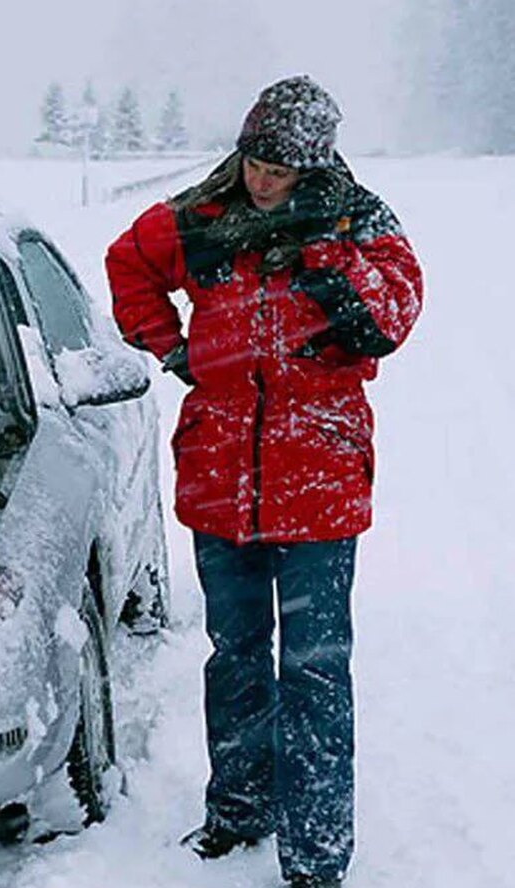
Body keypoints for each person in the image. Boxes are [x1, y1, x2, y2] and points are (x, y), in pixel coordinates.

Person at [104, 76, 423, 888]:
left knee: (314, 669)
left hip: (318, 481)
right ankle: (238, 810)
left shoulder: (360, 222)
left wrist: (320, 257)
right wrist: (171, 349)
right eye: (254, 160)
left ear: (313, 167)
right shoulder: (202, 216)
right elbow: (128, 263)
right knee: (235, 655)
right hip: (219, 480)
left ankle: (315, 855)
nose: (261, 179)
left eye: (280, 168)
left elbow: (389, 320)